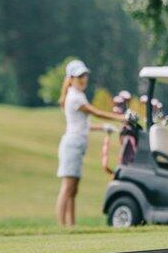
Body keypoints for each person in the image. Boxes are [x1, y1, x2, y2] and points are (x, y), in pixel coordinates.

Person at [54, 59, 125, 227]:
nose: (83, 79)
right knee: (67, 188)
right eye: (79, 76)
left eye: (84, 75)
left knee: (73, 190)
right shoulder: (74, 97)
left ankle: (71, 226)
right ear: (70, 78)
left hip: (77, 145)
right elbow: (96, 112)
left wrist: (103, 128)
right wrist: (121, 117)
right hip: (72, 145)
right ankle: (61, 226)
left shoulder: (78, 95)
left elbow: (84, 125)